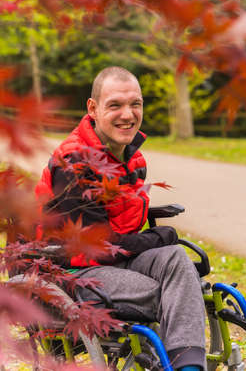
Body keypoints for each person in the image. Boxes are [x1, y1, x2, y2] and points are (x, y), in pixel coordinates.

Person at [36, 66, 207, 371]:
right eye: (115, 105)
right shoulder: (74, 161)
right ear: (93, 108)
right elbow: (97, 246)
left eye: (135, 104)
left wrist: (161, 242)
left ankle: (188, 366)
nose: (128, 114)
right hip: (69, 268)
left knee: (176, 259)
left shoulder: (133, 158)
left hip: (113, 262)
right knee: (171, 295)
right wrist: (158, 237)